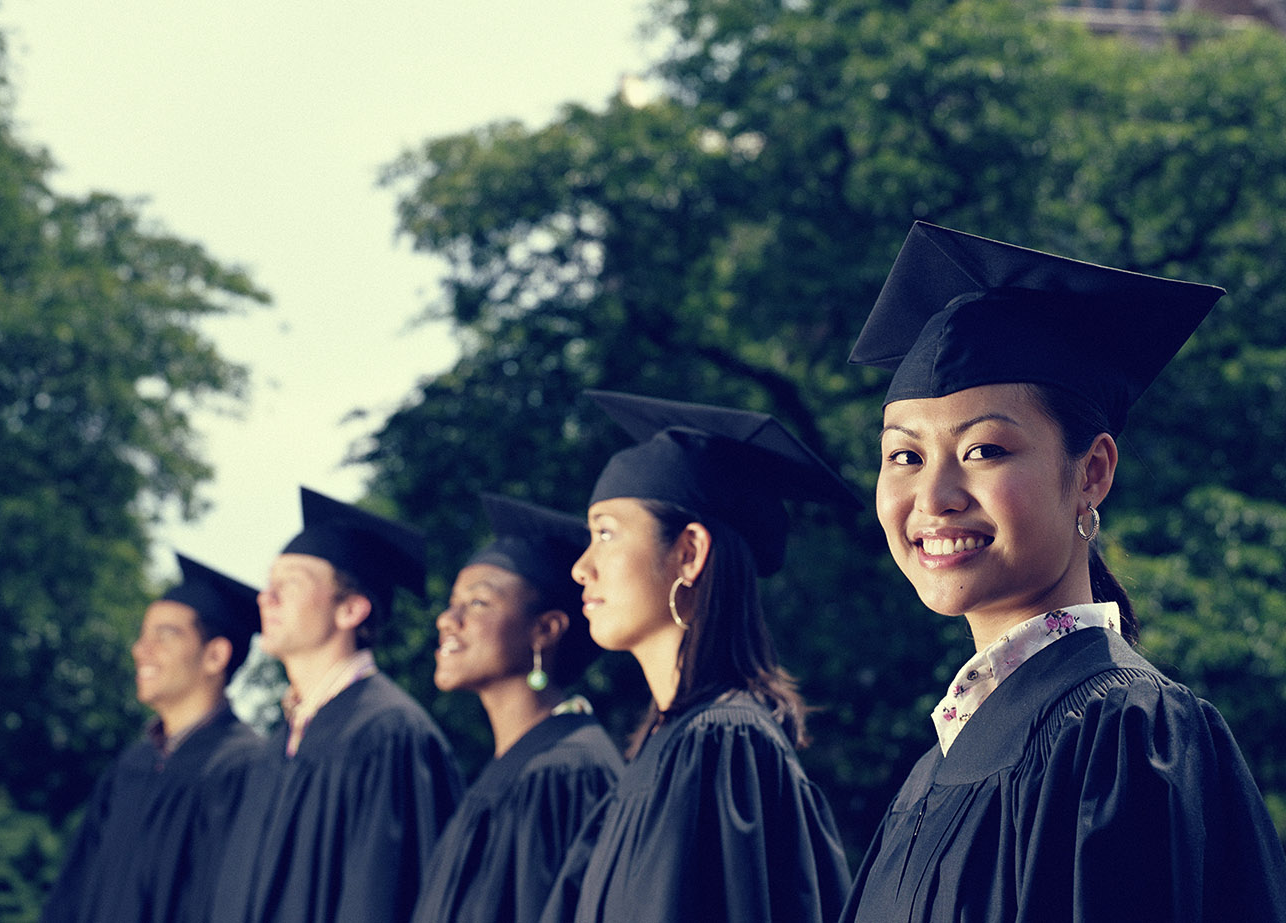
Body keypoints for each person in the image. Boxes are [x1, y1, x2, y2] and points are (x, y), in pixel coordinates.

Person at [841, 220, 1286, 921]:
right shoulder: (933, 772)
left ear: (1092, 472)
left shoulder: (1124, 736)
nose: (934, 497)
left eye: (984, 449)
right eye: (905, 456)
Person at [541, 390, 856, 923]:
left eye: (605, 534)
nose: (581, 567)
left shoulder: (723, 745)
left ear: (689, 553)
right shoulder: (667, 746)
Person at [211, 487, 463, 923]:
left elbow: (382, 903)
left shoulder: (388, 734)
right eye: (268, 585)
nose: (264, 598)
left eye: (288, 585)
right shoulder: (279, 745)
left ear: (350, 609)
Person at [411, 493, 623, 923]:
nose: (447, 619)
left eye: (478, 602)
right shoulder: (512, 767)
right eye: (453, 602)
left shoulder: (567, 773)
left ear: (545, 629)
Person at [42, 553, 263, 923]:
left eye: (165, 635)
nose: (141, 650)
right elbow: (73, 893)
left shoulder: (244, 768)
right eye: (143, 636)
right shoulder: (130, 766)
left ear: (215, 655)